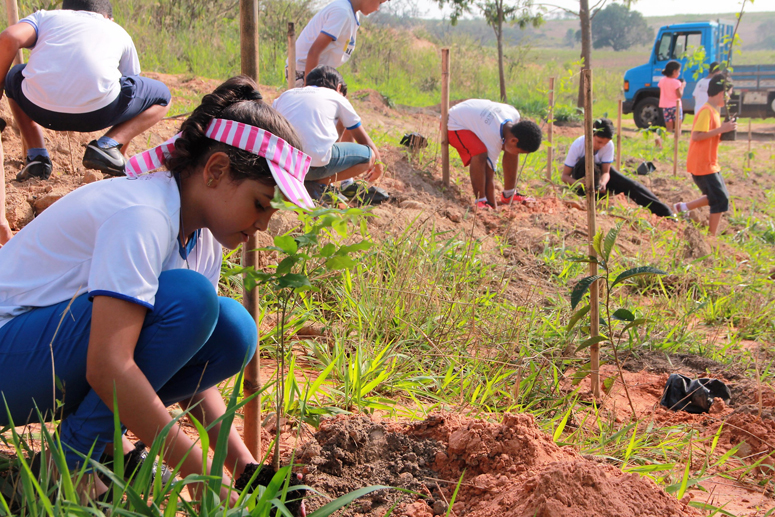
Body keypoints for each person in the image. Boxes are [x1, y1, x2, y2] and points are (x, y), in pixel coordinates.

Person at [0, 76, 313, 503]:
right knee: (193, 301)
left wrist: (244, 470)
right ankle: (70, 463)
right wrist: (206, 478)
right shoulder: (143, 216)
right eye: (260, 204)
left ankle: (90, 451)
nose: (262, 225)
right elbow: (109, 367)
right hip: (8, 355)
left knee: (233, 330)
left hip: (38, 361)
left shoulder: (201, 239)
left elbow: (180, 355)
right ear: (216, 169)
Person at [0, 0, 171, 181]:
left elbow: (9, 38)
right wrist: (117, 153)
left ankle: (37, 157)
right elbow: (133, 95)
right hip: (98, 114)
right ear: (108, 18)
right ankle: (108, 147)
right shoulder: (117, 31)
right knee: (162, 97)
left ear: (64, 10)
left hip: (38, 109)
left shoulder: (46, 17)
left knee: (15, 76)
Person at [273, 65, 381, 201]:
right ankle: (316, 184)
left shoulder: (285, 95)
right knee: (369, 156)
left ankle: (306, 183)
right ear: (339, 88)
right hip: (312, 168)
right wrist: (379, 167)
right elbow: (364, 140)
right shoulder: (337, 97)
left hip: (282, 167)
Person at [560, 118, 673, 217]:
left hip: (598, 179)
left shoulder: (608, 145)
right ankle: (592, 196)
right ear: (591, 135)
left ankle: (666, 212)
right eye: (599, 142)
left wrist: (603, 182)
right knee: (586, 161)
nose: (601, 146)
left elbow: (606, 172)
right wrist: (580, 183)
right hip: (581, 181)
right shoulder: (578, 145)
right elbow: (565, 176)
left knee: (631, 185)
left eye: (604, 143)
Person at [447, 98, 542, 210]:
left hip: (475, 116)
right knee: (480, 152)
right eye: (520, 152)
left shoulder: (514, 115)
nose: (518, 155)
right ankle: (481, 201)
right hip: (454, 122)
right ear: (513, 140)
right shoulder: (493, 137)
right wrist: (494, 208)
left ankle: (509, 194)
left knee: (511, 150)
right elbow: (489, 175)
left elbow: (513, 139)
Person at [673, 74, 736, 236]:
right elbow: (696, 136)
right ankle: (711, 237)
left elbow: (711, 136)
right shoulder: (706, 111)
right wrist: (722, 129)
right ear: (722, 93)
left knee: (717, 196)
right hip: (702, 164)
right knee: (721, 198)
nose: (729, 98)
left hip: (710, 163)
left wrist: (724, 131)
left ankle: (682, 207)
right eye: (729, 94)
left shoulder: (714, 111)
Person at [292, 0, 389, 85]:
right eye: (379, 2)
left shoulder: (352, 14)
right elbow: (314, 52)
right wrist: (309, 88)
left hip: (320, 73)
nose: (377, 8)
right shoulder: (342, 12)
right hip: (304, 72)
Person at [658, 60, 685, 134]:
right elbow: (679, 95)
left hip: (665, 107)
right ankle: (677, 143)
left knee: (669, 129)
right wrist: (682, 87)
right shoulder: (677, 83)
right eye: (679, 71)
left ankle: (664, 141)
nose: (679, 73)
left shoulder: (662, 81)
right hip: (675, 106)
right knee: (677, 128)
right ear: (674, 71)